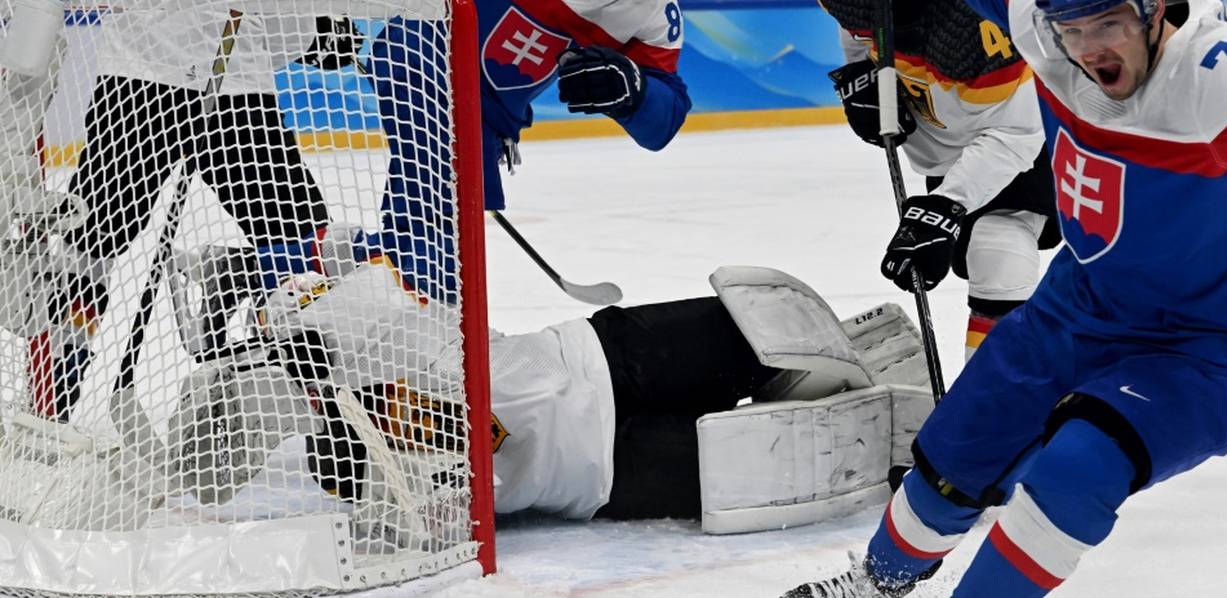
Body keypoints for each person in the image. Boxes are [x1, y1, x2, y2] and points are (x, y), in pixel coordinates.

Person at [786, 0, 1227, 596]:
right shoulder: (1042, 19)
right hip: (1074, 308)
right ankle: (879, 581)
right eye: (1071, 29)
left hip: (1200, 351)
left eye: (1108, 24)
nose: (1086, 48)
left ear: (1152, 6)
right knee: (955, 448)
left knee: (1077, 467)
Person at [173, 257, 933, 527]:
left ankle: (904, 372)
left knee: (777, 336)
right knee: (810, 453)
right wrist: (373, 437)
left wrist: (303, 330)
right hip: (606, 476)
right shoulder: (349, 470)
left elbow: (372, 291)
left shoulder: (361, 314)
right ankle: (927, 437)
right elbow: (464, 473)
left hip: (606, 356)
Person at [235, 0, 695, 301]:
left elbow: (663, 122)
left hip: (486, 113)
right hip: (421, 57)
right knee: (430, 266)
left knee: (423, 254)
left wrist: (635, 92)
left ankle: (244, 271)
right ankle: (407, 341)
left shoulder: (650, 6)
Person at [27, 0, 349, 421]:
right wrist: (324, 37)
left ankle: (48, 402)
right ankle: (335, 409)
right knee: (297, 234)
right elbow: (284, 31)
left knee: (91, 245)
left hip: (126, 87)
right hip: (228, 99)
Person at [812, 0, 1059, 361]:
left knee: (998, 247)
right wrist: (859, 73)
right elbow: (857, 23)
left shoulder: (984, 13)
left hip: (1027, 138)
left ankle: (995, 395)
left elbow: (1016, 135)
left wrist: (946, 205)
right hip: (947, 143)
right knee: (981, 244)